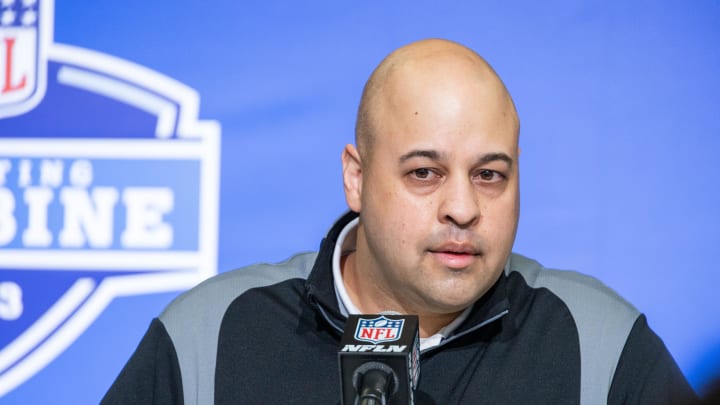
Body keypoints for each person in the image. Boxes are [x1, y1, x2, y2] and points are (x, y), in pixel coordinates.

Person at [102, 39, 696, 404]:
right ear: (356, 178)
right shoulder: (209, 335)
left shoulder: (601, 343)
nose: (462, 208)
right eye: (424, 173)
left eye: (489, 174)